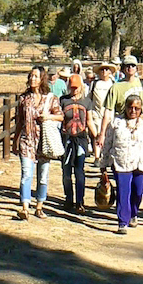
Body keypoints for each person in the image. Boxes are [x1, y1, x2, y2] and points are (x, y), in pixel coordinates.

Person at [99, 95, 143, 234]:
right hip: (121, 162)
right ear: (125, 107)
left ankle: (133, 213)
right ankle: (123, 221)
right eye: (130, 107)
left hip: (140, 162)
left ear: (141, 109)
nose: (133, 111)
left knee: (137, 191)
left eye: (137, 108)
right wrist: (103, 162)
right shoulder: (116, 122)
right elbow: (107, 143)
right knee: (123, 192)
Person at [11, 65, 63, 220]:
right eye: (31, 76)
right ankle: (25, 207)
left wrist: (48, 117)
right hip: (27, 141)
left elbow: (60, 116)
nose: (32, 79)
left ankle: (39, 205)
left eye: (35, 76)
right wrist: (15, 140)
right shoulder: (23, 99)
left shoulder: (50, 98)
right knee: (26, 173)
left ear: (42, 79)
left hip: (44, 141)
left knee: (42, 175)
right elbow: (19, 121)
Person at [97, 54, 143, 146]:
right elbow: (107, 111)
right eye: (127, 65)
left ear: (136, 68)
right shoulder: (116, 87)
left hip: (141, 123)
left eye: (133, 65)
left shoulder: (142, 83)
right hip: (123, 125)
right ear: (123, 68)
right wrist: (102, 134)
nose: (130, 68)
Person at [60, 72, 96, 213]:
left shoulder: (87, 102)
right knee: (66, 171)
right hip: (67, 139)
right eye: (72, 87)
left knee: (79, 171)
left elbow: (89, 121)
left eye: (76, 87)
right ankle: (68, 199)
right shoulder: (63, 100)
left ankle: (80, 201)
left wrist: (97, 136)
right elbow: (59, 119)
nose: (74, 90)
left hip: (81, 139)